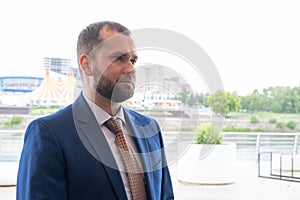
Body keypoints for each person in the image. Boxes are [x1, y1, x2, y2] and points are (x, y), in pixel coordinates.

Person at [17, 21, 174, 200]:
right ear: (86, 64)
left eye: (133, 60)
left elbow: (166, 195)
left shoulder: (150, 129)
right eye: (118, 58)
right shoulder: (49, 133)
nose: (130, 68)